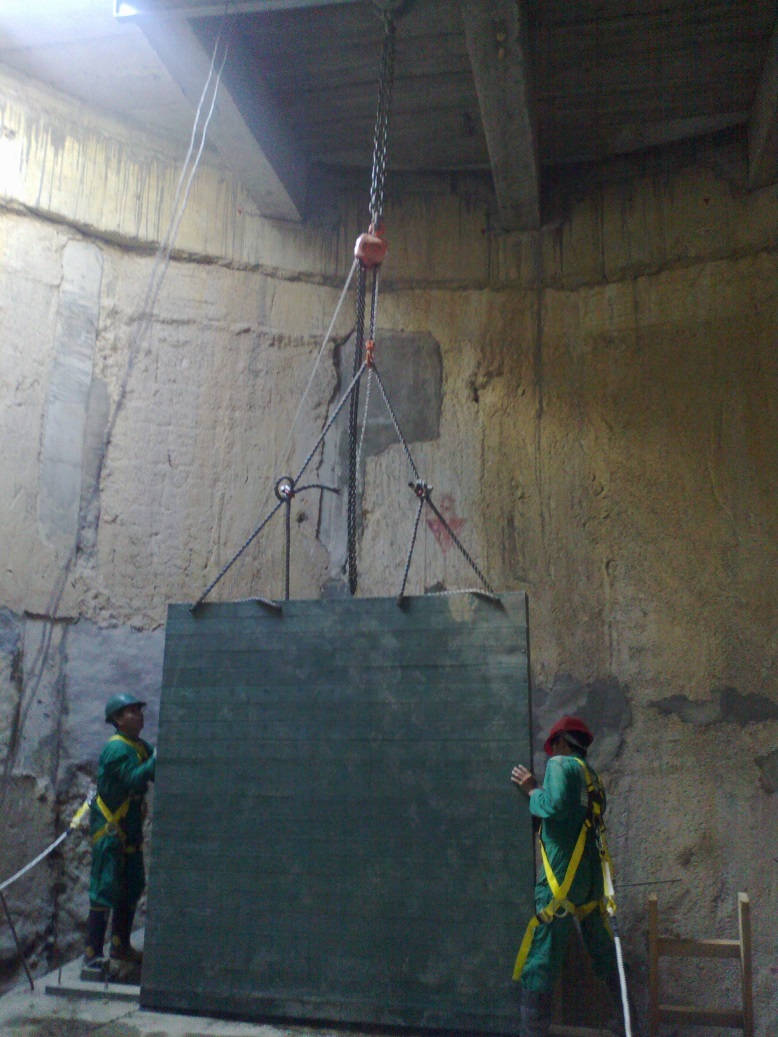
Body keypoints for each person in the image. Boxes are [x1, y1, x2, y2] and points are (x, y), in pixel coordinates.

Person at [510, 715, 624, 1037]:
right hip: (589, 881)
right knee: (602, 949)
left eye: (552, 748)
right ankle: (628, 1019)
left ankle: (533, 1032)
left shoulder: (561, 764)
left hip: (561, 881)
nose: (550, 756)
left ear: (561, 742)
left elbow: (556, 807)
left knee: (542, 954)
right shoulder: (593, 777)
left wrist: (533, 789)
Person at [84, 693, 155, 971]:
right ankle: (92, 954)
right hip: (111, 830)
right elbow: (134, 779)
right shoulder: (116, 749)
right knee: (104, 887)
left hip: (131, 830)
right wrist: (157, 759)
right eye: (131, 711)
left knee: (132, 884)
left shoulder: (138, 746)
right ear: (116, 719)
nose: (138, 715)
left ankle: (120, 945)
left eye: (139, 710)